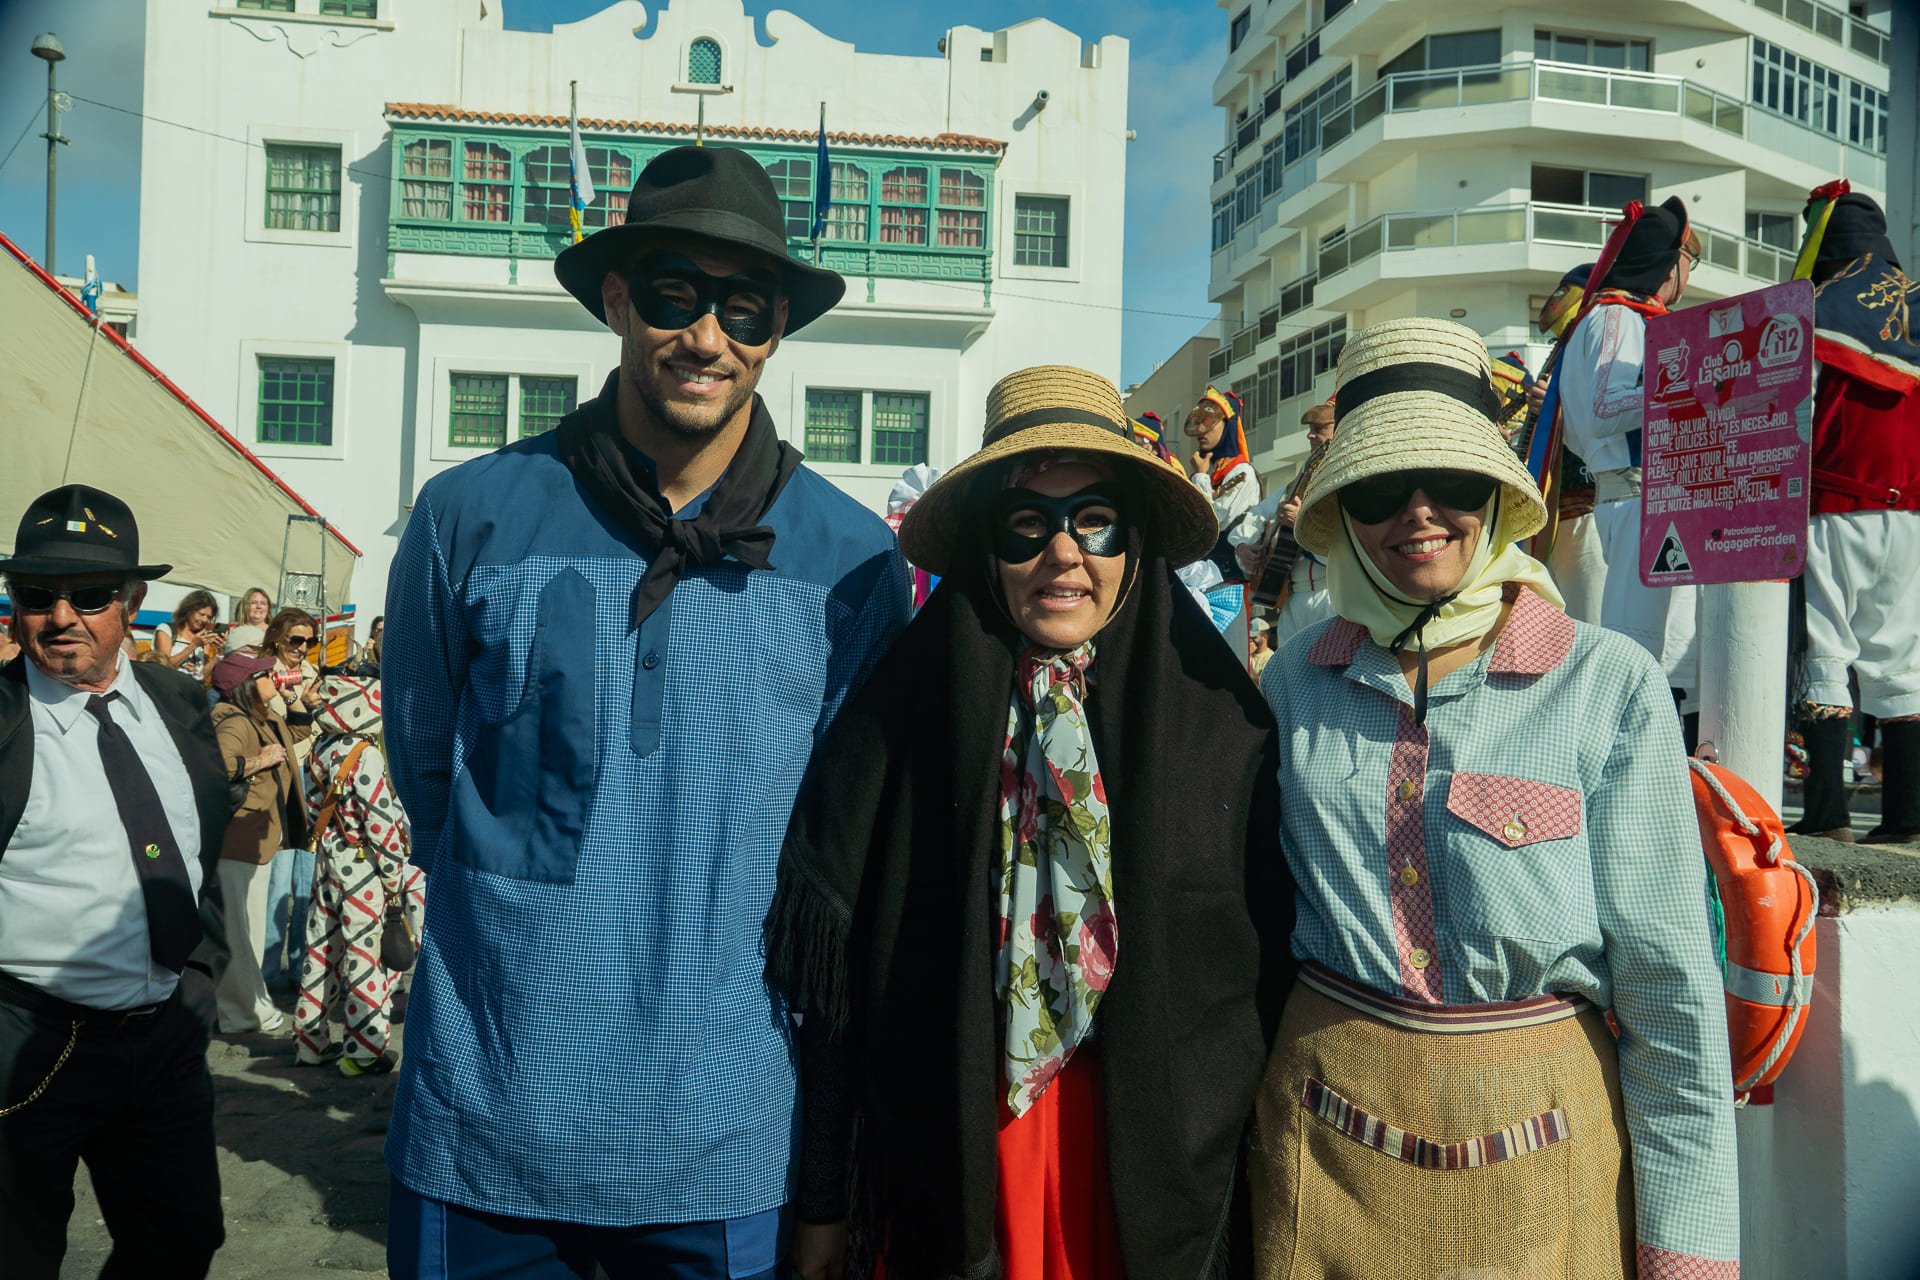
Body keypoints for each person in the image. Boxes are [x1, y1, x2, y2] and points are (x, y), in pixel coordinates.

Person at [381, 144, 908, 1278]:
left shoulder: (855, 563)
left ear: (776, 331)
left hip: (724, 1148)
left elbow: (842, 865)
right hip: (481, 1134)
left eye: (745, 306)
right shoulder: (466, 514)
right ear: (617, 300)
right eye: (673, 293)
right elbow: (426, 770)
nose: (706, 335)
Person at [766, 364, 1294, 1278]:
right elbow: (840, 1000)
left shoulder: (1223, 731)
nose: (1063, 554)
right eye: (1027, 527)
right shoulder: (903, 724)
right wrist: (822, 1199)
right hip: (958, 1172)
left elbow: (1267, 998)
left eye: (1095, 521)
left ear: (1134, 547)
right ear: (985, 550)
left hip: (1157, 1188)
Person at [1250, 318, 1737, 1277]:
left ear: (1499, 497)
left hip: (1547, 1167)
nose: (1419, 514)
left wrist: (1688, 1249)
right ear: (1343, 506)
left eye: (1454, 483)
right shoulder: (1295, 681)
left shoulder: (1607, 682)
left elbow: (1668, 987)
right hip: (1320, 1157)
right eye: (1384, 487)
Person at [0, 483, 231, 1277]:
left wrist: (201, 971)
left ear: (132, 602)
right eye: (37, 595)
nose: (61, 617)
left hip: (164, 1041)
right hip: (29, 1042)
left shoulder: (182, 704)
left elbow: (195, 846)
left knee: (179, 1244)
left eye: (89, 595)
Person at [1787, 183, 1920, 844]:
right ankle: (1905, 819)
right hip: (1912, 514)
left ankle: (1829, 814)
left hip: (1833, 505)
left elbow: (1794, 412)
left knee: (1827, 652)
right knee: (1902, 663)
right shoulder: (1918, 303)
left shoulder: (1816, 305)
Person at [1557, 198, 1703, 737]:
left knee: (1665, 648)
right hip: (1640, 500)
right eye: (1690, 262)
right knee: (1645, 647)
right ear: (1670, 261)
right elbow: (1602, 410)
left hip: (1636, 500)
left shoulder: (1608, 319)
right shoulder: (1617, 316)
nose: (1687, 277)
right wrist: (1694, 392)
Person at [295, 673, 423, 1075]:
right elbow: (381, 823)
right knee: (366, 957)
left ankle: (309, 1043)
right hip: (362, 868)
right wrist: (393, 878)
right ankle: (364, 1051)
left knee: (321, 951)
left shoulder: (319, 748)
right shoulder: (362, 753)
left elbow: (314, 813)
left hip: (327, 863)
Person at [209, 649, 311, 1034]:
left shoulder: (262, 717)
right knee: (239, 933)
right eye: (266, 674)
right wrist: (260, 761)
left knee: (247, 931)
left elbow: (299, 729)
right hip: (237, 840)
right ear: (247, 685)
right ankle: (240, 1013)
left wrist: (293, 696)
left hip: (256, 841)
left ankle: (250, 1006)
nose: (277, 676)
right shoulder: (233, 720)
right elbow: (219, 765)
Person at [1525, 264, 1609, 624]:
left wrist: (1558, 412)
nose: (1557, 300)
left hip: (1591, 509)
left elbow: (1606, 415)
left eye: (1567, 291)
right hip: (1555, 514)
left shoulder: (1602, 337)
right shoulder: (1568, 346)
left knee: (1590, 622)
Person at [259, 607, 323, 994]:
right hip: (278, 783)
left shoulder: (315, 676)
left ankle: (301, 967)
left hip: (312, 782)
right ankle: (266, 971)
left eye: (309, 641)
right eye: (295, 640)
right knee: (277, 881)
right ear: (277, 638)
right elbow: (271, 732)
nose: (302, 647)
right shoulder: (262, 676)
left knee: (306, 881)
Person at [153, 588, 225, 684]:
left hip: (193, 691)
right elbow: (164, 666)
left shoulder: (203, 637)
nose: (205, 620)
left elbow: (202, 674)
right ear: (189, 610)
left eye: (209, 617)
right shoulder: (166, 630)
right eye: (201, 614)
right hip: (170, 688)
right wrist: (192, 646)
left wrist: (219, 655)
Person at [227, 586, 273, 652]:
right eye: (253, 603)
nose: (259, 606)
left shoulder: (275, 632)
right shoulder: (236, 632)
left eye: (263, 603)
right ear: (245, 606)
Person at [1249, 615, 1276, 681]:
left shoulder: (1270, 657)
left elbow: (1262, 681)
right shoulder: (1249, 654)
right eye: (1249, 637)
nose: (1250, 640)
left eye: (1254, 637)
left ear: (1264, 636)